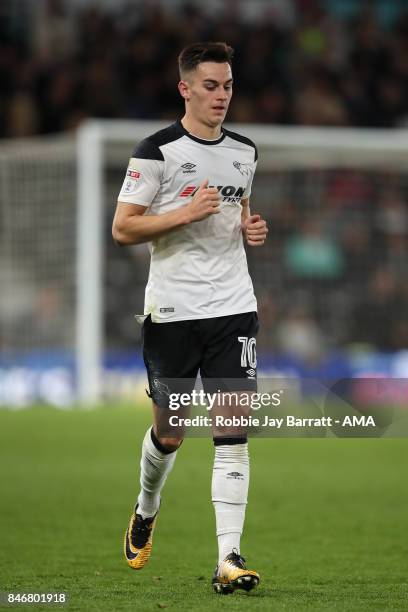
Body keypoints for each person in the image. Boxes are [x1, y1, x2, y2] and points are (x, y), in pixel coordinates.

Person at [112, 41, 268, 595]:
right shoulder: (156, 152)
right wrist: (185, 213)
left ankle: (229, 557)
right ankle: (146, 507)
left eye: (227, 85)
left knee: (233, 434)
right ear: (185, 88)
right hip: (173, 312)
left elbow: (238, 215)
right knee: (171, 433)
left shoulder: (245, 151)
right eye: (210, 85)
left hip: (234, 307)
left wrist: (249, 229)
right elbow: (124, 228)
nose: (221, 95)